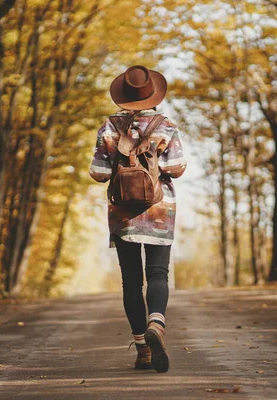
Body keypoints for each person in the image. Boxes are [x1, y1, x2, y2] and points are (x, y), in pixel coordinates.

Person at [89, 65, 187, 373]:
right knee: (158, 273)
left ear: (123, 94)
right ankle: (156, 322)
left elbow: (99, 173)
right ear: (152, 93)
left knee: (131, 280)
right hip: (160, 212)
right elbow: (178, 167)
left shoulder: (109, 126)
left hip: (123, 215)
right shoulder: (166, 125)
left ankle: (143, 350)